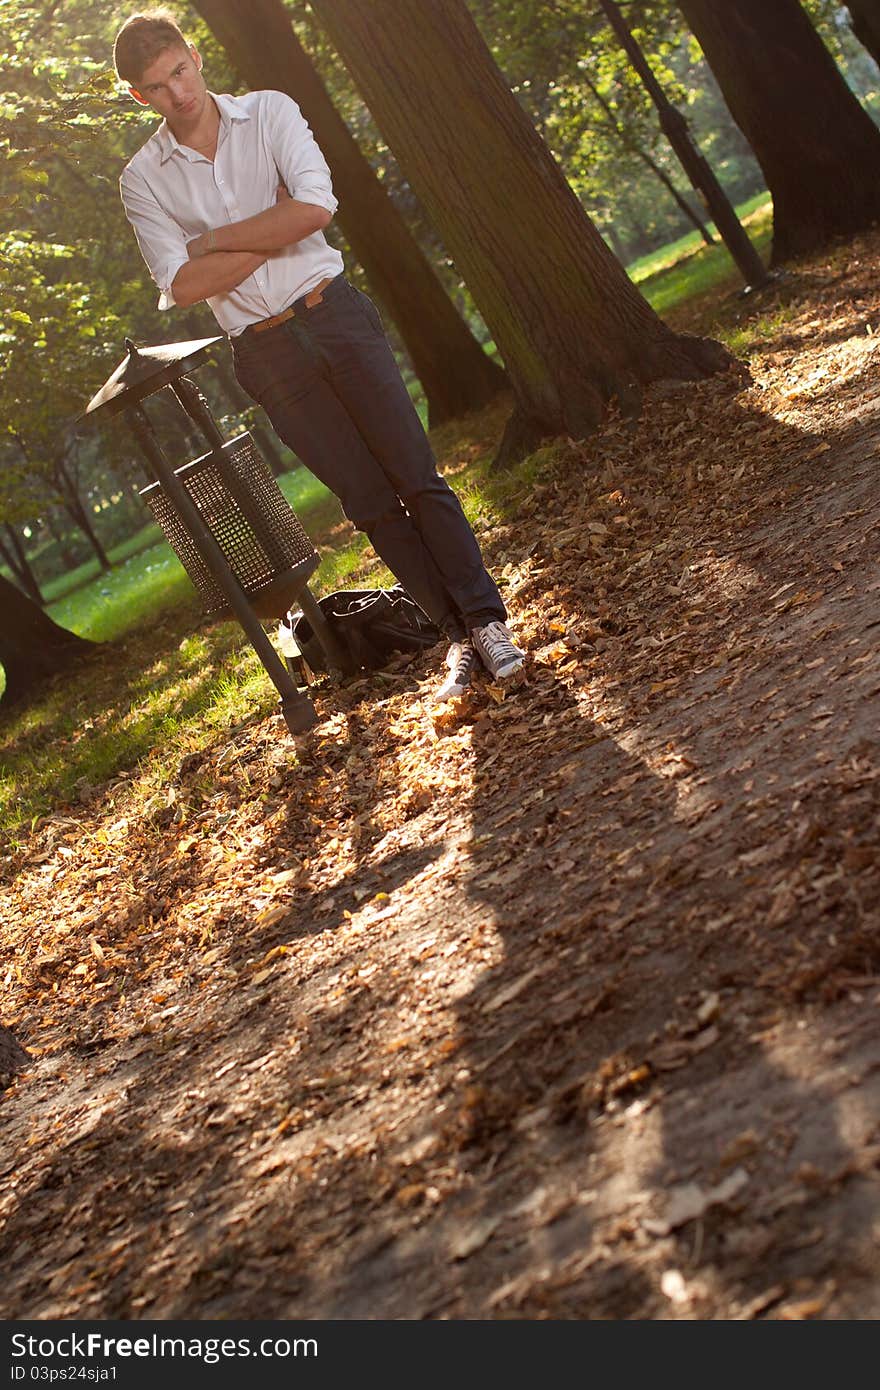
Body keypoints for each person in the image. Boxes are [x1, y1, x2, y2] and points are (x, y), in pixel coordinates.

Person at [113, 9, 525, 700]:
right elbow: (181, 285)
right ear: (138, 97)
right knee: (368, 503)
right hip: (267, 354)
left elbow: (315, 209)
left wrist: (213, 241)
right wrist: (265, 227)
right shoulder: (143, 179)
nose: (178, 93)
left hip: (334, 316)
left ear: (194, 52)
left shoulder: (270, 112)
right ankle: (455, 637)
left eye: (180, 70)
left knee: (417, 478)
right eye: (157, 86)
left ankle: (487, 623)